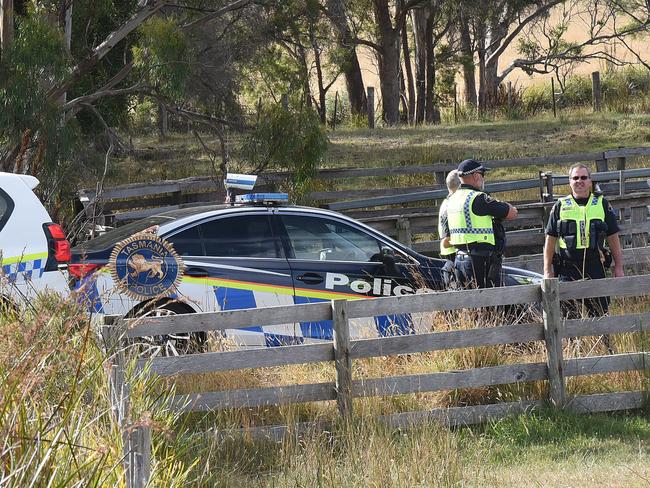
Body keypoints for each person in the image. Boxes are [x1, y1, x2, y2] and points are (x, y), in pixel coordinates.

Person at [543, 163, 624, 318]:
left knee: (600, 315)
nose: (579, 181)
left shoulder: (602, 204)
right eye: (575, 178)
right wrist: (547, 271)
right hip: (567, 269)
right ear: (570, 181)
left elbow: (613, 236)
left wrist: (618, 267)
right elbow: (550, 239)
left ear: (590, 181)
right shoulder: (560, 206)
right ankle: (574, 344)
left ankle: (602, 343)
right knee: (568, 318)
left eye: (583, 177)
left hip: (595, 266)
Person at [447, 159, 518, 288]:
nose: (483, 179)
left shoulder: (452, 199)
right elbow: (511, 213)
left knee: (470, 304)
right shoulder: (479, 198)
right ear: (476, 175)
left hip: (459, 260)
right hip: (479, 261)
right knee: (490, 303)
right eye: (482, 175)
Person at [438, 169, 460, 287]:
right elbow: (446, 241)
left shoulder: (446, 203)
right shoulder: (451, 206)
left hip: (452, 257)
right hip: (454, 258)